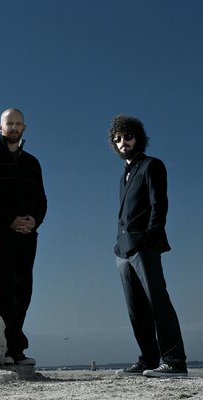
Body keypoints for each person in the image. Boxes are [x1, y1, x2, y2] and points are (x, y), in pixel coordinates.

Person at [109, 115, 188, 378]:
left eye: (127, 137)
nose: (123, 143)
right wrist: (119, 246)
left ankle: (175, 361)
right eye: (117, 139)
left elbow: (159, 205)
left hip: (144, 246)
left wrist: (149, 239)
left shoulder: (152, 165)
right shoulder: (124, 175)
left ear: (138, 138)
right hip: (123, 249)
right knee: (136, 309)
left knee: (158, 302)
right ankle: (149, 359)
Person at [0, 108, 47, 366]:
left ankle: (16, 348)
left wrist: (34, 220)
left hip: (28, 232)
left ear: (24, 128)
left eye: (18, 124)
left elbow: (41, 199)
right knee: (4, 285)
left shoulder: (32, 162)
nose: (14, 128)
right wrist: (10, 219)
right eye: (9, 124)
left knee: (23, 288)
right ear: (0, 127)